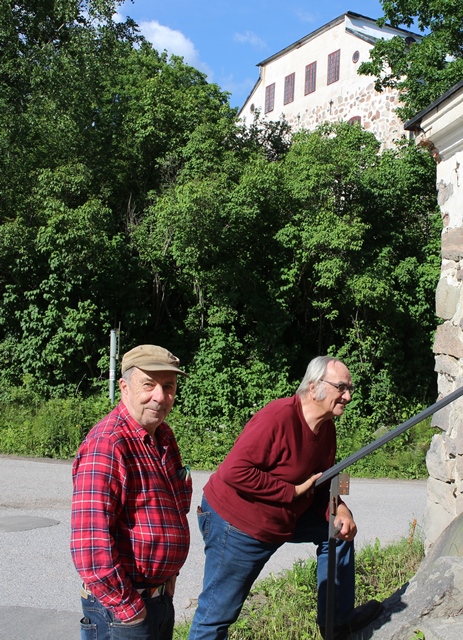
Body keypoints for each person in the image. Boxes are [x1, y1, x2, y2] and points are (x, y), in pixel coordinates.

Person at [188, 355, 383, 640]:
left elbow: (327, 477)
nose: (348, 396)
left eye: (349, 388)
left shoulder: (327, 426)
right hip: (237, 523)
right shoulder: (277, 417)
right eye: (341, 387)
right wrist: (290, 491)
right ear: (315, 385)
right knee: (216, 616)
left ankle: (337, 621)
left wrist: (341, 509)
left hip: (285, 516)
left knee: (339, 534)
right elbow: (234, 472)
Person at [71, 344, 192, 640]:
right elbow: (90, 547)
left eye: (168, 386)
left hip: (158, 600)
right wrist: (130, 610)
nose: (160, 397)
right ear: (124, 387)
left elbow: (173, 511)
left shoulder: (163, 436)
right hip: (124, 614)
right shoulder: (108, 444)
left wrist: (167, 580)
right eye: (149, 385)